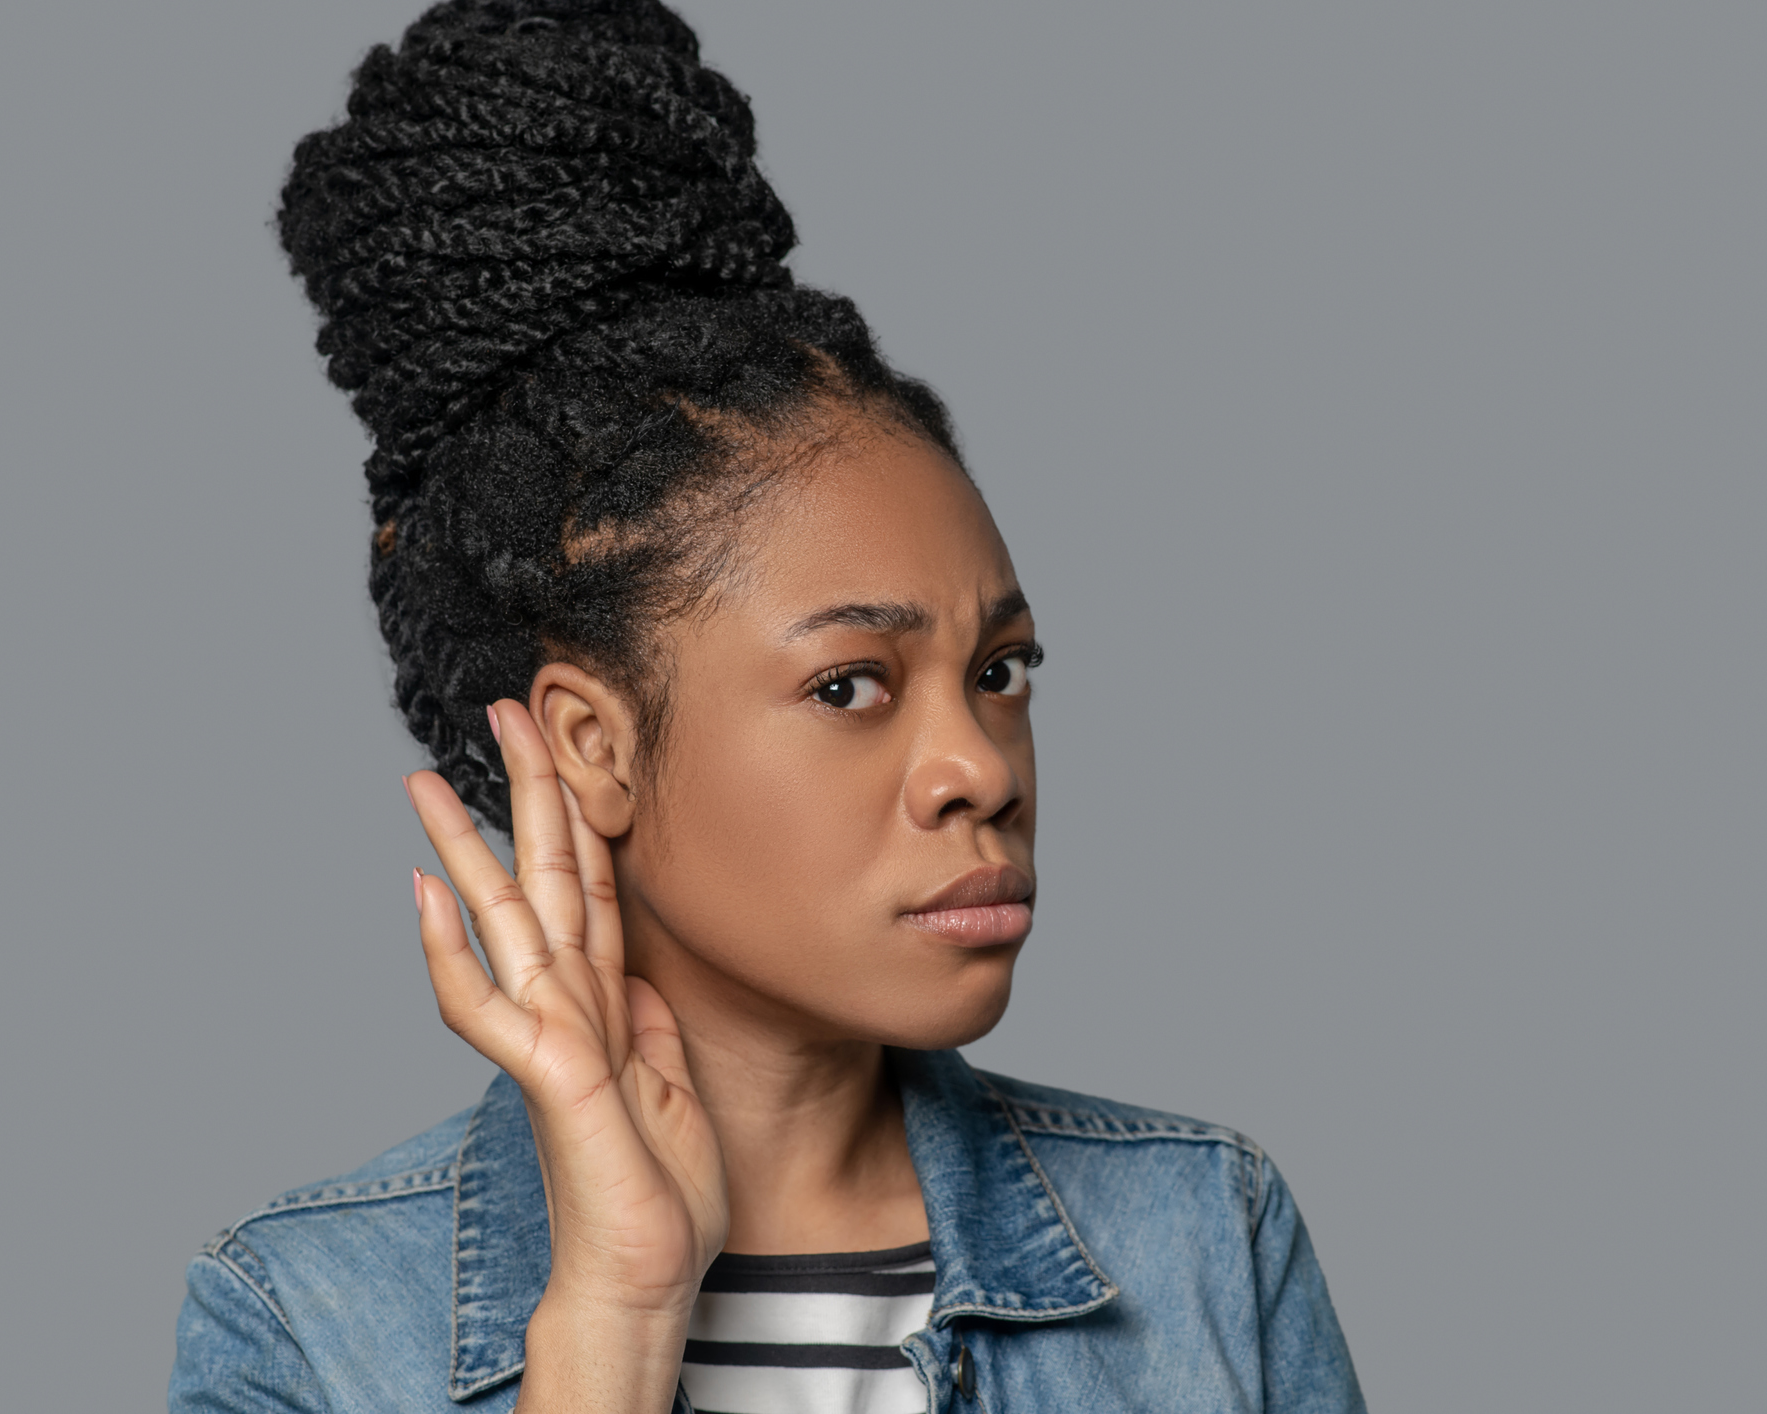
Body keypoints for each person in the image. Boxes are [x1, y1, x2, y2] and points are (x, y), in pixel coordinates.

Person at [170, 2, 1366, 1410]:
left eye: (999, 670)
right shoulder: (307, 1316)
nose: (976, 768)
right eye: (850, 683)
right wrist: (614, 1309)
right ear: (589, 744)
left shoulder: (1202, 1243)